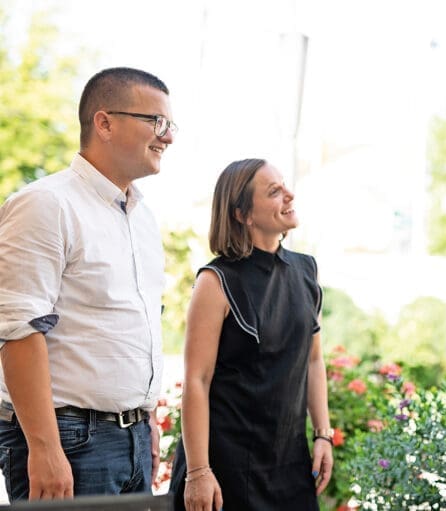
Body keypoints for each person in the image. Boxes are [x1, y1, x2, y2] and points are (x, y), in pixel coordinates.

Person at [0, 67, 175, 500]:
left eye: (170, 125)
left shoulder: (143, 219)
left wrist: (145, 422)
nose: (167, 136)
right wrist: (44, 448)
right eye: (155, 122)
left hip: (131, 440)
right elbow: (17, 328)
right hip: (70, 441)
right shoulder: (45, 204)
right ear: (104, 123)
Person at [169, 158, 333, 511]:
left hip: (288, 464)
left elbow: (313, 360)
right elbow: (197, 380)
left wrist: (323, 434)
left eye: (285, 185)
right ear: (242, 214)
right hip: (225, 469)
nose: (289, 194)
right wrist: (198, 472)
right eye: (274, 191)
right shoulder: (215, 282)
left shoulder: (307, 271)